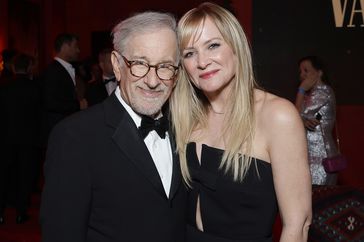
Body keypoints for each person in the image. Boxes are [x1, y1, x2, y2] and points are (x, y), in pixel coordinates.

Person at [170, 2, 312, 242]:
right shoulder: (183, 117)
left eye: (213, 45)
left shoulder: (277, 116)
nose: (202, 62)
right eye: (189, 53)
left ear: (236, 47)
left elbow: (297, 225)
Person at [40, 11, 186, 242]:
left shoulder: (185, 129)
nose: (152, 80)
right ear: (117, 66)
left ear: (177, 75)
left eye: (165, 66)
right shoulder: (75, 137)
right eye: (139, 63)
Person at [0, 53, 41, 224]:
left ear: (13, 68)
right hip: (28, 139)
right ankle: (21, 212)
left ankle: (0, 212)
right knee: (24, 176)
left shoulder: (4, 87)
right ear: (29, 67)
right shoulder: (35, 88)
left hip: (5, 138)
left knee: (3, 175)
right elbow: (39, 116)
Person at [295, 56, 338, 185]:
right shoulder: (310, 95)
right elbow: (300, 118)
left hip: (320, 158)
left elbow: (294, 116)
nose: (302, 75)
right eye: (300, 72)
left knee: (318, 197)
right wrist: (303, 121)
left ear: (319, 73)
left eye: (306, 70)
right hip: (310, 155)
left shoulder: (324, 92)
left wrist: (301, 89)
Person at [41, 33, 87, 145]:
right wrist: (78, 105)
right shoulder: (52, 71)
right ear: (66, 46)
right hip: (59, 130)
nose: (78, 50)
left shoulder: (67, 69)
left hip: (69, 128)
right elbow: (50, 102)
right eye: (75, 46)